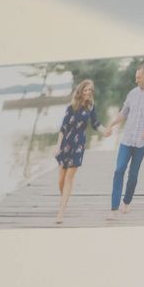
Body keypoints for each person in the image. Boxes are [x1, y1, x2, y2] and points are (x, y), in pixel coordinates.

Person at [106, 61, 144, 214]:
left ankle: (127, 202)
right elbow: (124, 113)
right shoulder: (132, 93)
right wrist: (111, 124)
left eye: (139, 77)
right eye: (136, 77)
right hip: (127, 138)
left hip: (142, 140)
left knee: (133, 174)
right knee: (119, 170)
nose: (136, 80)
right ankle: (114, 207)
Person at [53, 78, 97, 224]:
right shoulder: (71, 107)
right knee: (60, 180)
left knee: (69, 179)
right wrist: (58, 146)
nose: (88, 92)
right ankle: (63, 199)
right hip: (66, 144)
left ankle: (61, 212)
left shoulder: (91, 107)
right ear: (80, 91)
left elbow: (96, 123)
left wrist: (106, 130)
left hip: (78, 146)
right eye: (85, 90)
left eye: (90, 90)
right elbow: (63, 128)